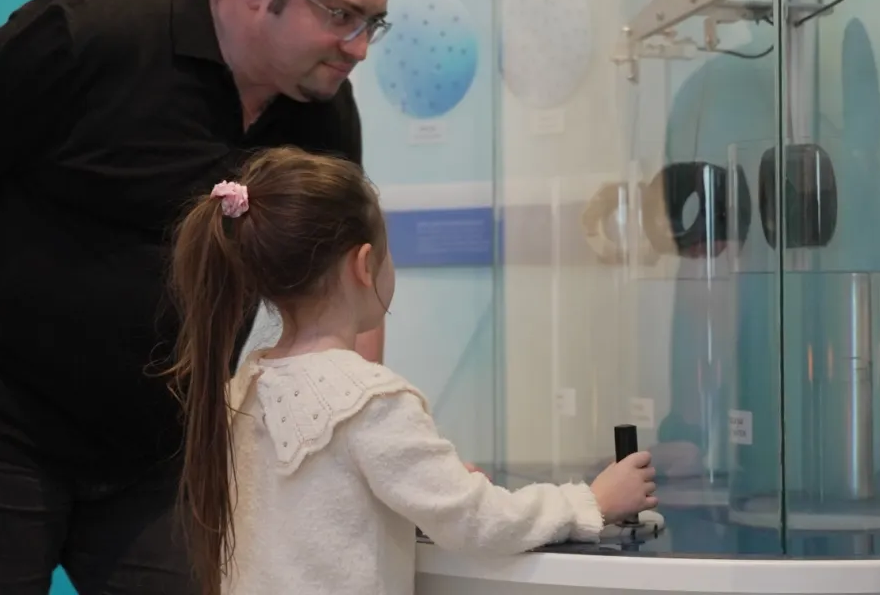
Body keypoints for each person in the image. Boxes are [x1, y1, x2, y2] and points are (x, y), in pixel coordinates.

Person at [0, 0, 405, 593]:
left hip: (159, 444)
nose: (358, 47)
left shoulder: (322, 113)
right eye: (340, 14)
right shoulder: (86, 36)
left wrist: (369, 436)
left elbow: (345, 282)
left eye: (372, 22)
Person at [167, 147, 659, 595]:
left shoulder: (243, 388)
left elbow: (323, 514)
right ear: (364, 265)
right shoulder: (369, 401)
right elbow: (476, 519)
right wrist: (590, 502)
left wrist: (429, 485)